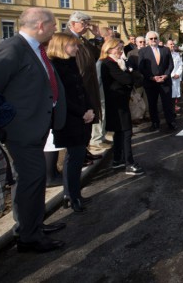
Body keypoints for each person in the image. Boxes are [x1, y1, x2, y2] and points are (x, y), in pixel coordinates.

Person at [0, 7, 67, 253]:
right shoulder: (12, 48)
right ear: (41, 25)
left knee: (33, 179)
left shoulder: (35, 49)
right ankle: (29, 237)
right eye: (53, 24)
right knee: (31, 179)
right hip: (20, 131)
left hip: (35, 127)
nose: (56, 29)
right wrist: (5, 118)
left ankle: (32, 225)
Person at [47, 33, 95, 214]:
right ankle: (71, 195)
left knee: (77, 156)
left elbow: (82, 89)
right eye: (73, 46)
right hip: (69, 119)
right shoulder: (55, 66)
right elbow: (61, 96)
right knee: (73, 157)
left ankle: (73, 193)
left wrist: (90, 109)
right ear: (61, 46)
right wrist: (82, 112)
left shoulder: (70, 63)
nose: (76, 49)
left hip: (82, 116)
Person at [100, 39, 145, 176]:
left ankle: (118, 159)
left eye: (121, 48)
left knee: (120, 133)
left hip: (120, 102)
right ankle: (129, 163)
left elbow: (137, 77)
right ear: (109, 49)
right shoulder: (108, 63)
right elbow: (127, 80)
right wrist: (129, 73)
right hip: (116, 104)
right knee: (126, 132)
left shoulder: (118, 62)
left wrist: (129, 73)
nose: (120, 51)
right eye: (118, 49)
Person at [65, 11, 103, 164]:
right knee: (80, 124)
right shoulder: (67, 38)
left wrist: (98, 37)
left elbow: (96, 53)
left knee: (87, 123)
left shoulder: (82, 39)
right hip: (77, 89)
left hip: (88, 87)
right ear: (73, 23)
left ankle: (84, 151)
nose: (87, 26)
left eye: (88, 23)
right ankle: (79, 155)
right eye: (84, 23)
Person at [139, 31, 176, 131]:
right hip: (151, 82)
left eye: (155, 38)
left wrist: (166, 75)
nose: (153, 40)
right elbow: (141, 68)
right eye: (151, 39)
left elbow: (171, 65)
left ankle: (170, 122)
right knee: (152, 104)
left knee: (167, 103)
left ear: (158, 39)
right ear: (147, 40)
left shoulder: (165, 50)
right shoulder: (143, 51)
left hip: (165, 81)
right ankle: (155, 123)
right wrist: (152, 77)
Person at [167, 40, 183, 113]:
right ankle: (169, 109)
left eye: (173, 44)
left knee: (176, 93)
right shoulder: (164, 54)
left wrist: (178, 74)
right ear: (166, 45)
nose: (172, 45)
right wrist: (171, 75)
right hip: (168, 78)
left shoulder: (177, 54)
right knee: (169, 94)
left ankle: (174, 107)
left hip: (176, 77)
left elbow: (181, 65)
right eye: (170, 44)